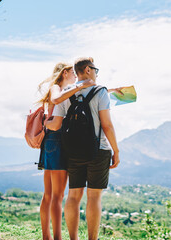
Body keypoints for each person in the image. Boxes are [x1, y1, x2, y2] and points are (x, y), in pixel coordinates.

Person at [47, 57, 120, 240]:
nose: (96, 73)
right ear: (87, 69)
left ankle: (73, 238)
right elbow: (107, 126)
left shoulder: (65, 93)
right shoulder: (100, 91)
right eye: (95, 69)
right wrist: (116, 151)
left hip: (72, 151)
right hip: (99, 150)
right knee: (94, 197)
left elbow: (56, 124)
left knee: (73, 196)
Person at [38, 62, 96, 240]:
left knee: (48, 195)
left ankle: (47, 236)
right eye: (73, 72)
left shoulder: (68, 91)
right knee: (57, 196)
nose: (75, 76)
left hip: (49, 142)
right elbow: (56, 121)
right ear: (65, 73)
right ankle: (56, 237)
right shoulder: (57, 89)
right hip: (58, 140)